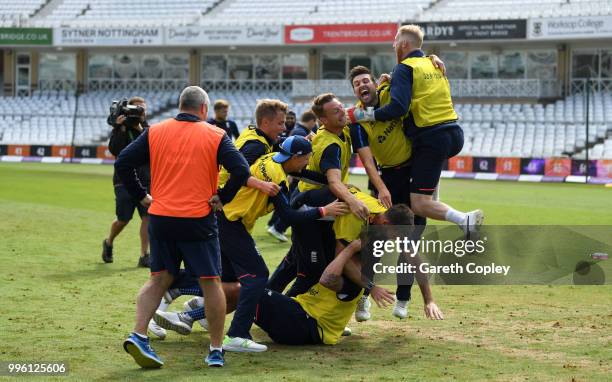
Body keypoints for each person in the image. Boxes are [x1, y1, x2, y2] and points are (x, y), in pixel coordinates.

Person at [115, 86, 250, 368]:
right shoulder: (215, 135)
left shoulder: (156, 131)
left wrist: (142, 195)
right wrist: (222, 197)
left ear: (180, 106)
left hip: (161, 217)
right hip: (197, 220)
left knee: (158, 279)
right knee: (210, 282)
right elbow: (241, 171)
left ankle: (139, 334)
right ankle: (215, 349)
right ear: (203, 109)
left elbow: (124, 161)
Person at [347, 24, 483, 238]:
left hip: (430, 137)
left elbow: (398, 107)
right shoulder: (431, 64)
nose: (393, 46)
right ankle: (451, 216)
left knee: (419, 206)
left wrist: (363, 115)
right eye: (357, 84)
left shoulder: (404, 69)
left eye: (394, 42)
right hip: (452, 133)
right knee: (411, 213)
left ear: (403, 44)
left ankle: (464, 220)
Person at [215, 135, 348, 352]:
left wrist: (336, 183)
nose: (307, 162)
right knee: (257, 275)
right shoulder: (278, 181)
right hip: (230, 223)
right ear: (296, 157)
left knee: (225, 277)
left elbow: (302, 172)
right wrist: (324, 210)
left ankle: (178, 290)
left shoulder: (271, 159)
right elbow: (288, 216)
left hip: (224, 220)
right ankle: (236, 334)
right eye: (306, 158)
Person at [102, 96, 151, 268]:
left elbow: (153, 149)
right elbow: (115, 150)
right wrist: (119, 128)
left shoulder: (148, 130)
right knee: (123, 219)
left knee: (147, 217)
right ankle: (108, 242)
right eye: (136, 109)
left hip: (145, 180)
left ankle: (144, 255)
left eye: (142, 109)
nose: (140, 112)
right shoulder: (120, 127)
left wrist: (138, 128)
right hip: (123, 181)